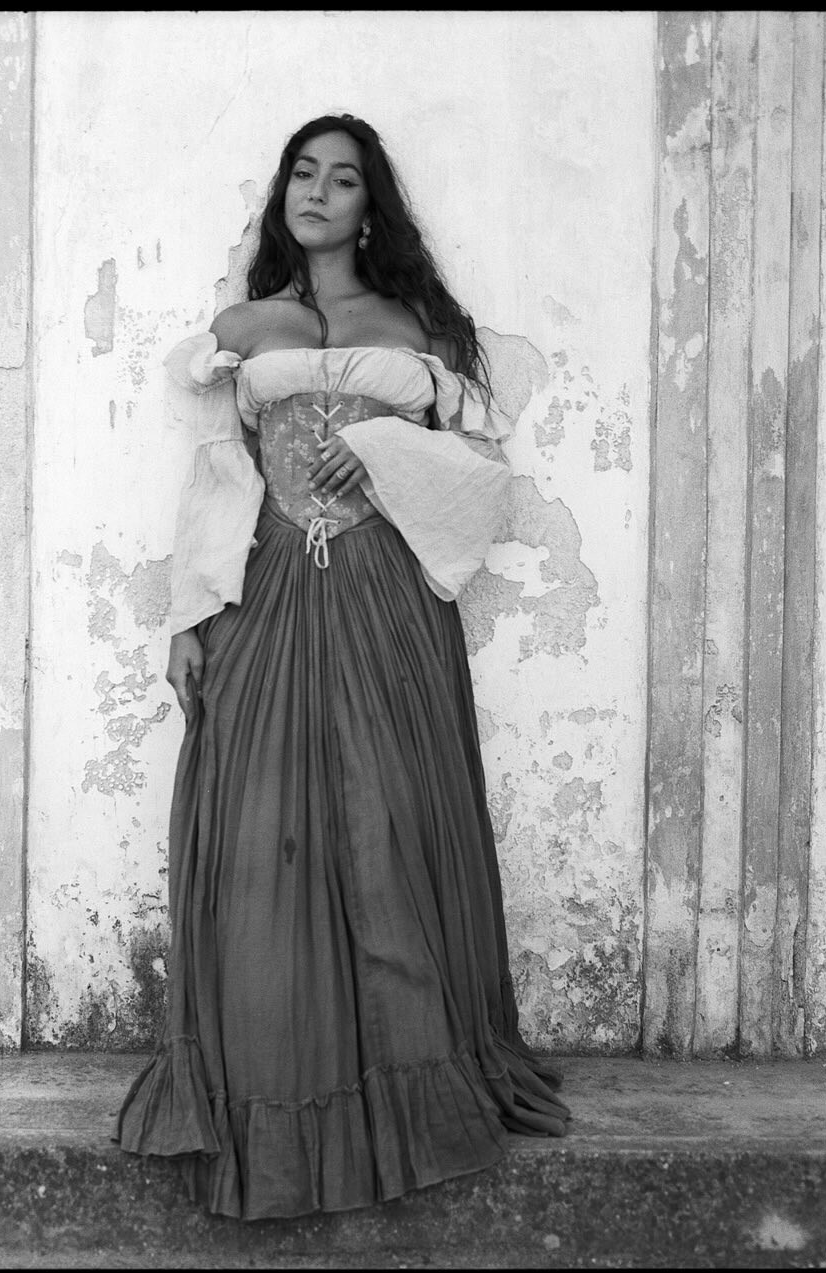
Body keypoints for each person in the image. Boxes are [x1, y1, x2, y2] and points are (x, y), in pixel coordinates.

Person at [114, 112, 570, 1221]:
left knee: (386, 820)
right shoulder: (244, 326)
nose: (317, 192)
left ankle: (406, 1083)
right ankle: (268, 1082)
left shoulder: (411, 326)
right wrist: (188, 618)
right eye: (303, 174)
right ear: (282, 194)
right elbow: (217, 471)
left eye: (344, 179)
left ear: (372, 208)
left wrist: (382, 455)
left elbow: (474, 465)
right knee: (258, 827)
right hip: (267, 583)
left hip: (383, 592)